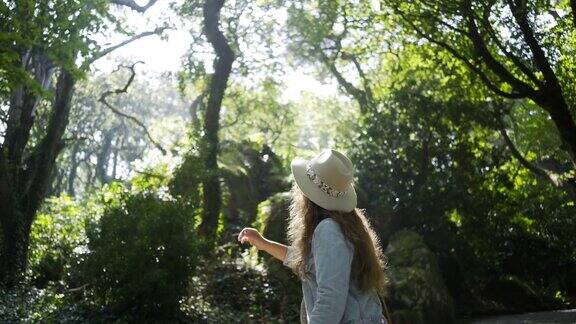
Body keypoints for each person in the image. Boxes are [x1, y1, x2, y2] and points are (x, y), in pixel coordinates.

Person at [238, 149, 390, 324]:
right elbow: (309, 262)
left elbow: (330, 301)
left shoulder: (328, 230)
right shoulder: (341, 225)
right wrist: (263, 243)